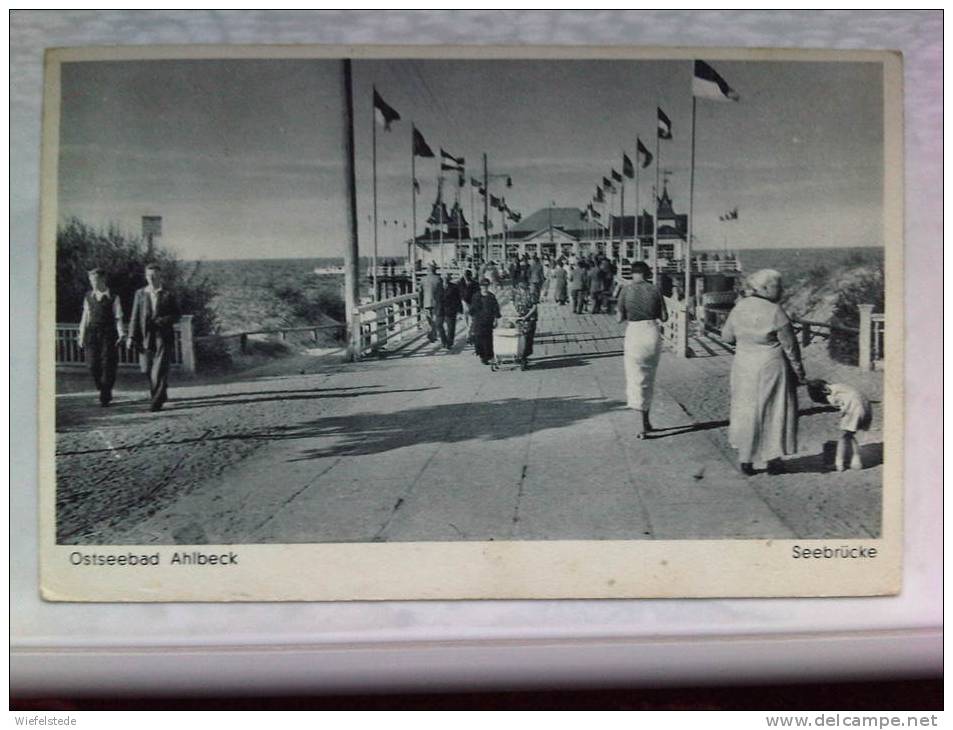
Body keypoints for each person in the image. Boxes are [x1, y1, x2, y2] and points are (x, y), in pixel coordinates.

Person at [720, 269, 806, 475]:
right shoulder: (775, 311)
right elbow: (790, 347)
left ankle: (746, 459)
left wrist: (747, 339)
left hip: (744, 364)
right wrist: (800, 372)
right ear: (765, 288)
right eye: (778, 286)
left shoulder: (739, 308)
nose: (782, 290)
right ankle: (772, 459)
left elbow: (727, 337)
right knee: (773, 410)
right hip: (770, 364)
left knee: (745, 408)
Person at [617, 261, 668, 438]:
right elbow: (665, 317)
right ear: (647, 273)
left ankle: (641, 426)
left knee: (635, 379)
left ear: (632, 273)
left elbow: (619, 318)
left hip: (634, 333)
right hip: (651, 333)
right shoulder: (655, 289)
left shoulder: (626, 290)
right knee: (649, 379)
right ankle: (646, 421)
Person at [128, 263, 180, 412]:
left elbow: (177, 314)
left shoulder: (168, 294)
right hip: (145, 337)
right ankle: (160, 393)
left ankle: (156, 402)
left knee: (159, 369)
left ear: (160, 276)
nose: (151, 279)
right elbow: (134, 316)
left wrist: (163, 321)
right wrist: (131, 336)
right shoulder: (140, 294)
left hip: (162, 336)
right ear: (145, 277)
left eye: (154, 276)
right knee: (147, 369)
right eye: (149, 276)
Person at [77, 267, 125, 406]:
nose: (93, 283)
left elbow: (118, 317)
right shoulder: (88, 297)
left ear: (103, 279)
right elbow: (85, 317)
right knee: (92, 364)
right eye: (91, 280)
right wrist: (81, 336)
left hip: (109, 334)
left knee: (108, 364)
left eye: (96, 280)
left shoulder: (114, 297)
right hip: (92, 333)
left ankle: (105, 394)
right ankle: (103, 386)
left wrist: (121, 334)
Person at [807, 379, 872, 471]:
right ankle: (856, 461)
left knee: (843, 437)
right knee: (849, 435)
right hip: (865, 404)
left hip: (854, 408)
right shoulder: (838, 385)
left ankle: (839, 464)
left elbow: (840, 405)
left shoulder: (831, 397)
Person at [469, 278, 500, 365]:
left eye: (486, 286)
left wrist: (496, 319)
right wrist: (471, 316)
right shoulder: (476, 296)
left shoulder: (491, 296)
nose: (484, 288)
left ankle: (488, 356)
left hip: (488, 321)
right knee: (478, 338)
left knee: (488, 339)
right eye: (483, 286)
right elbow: (472, 309)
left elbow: (496, 309)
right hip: (478, 321)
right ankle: (481, 355)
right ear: (480, 286)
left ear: (488, 286)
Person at [511, 278, 539, 367]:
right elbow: (511, 303)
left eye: (524, 284)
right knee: (518, 338)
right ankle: (519, 355)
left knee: (528, 338)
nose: (522, 286)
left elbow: (535, 306)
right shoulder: (515, 293)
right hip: (519, 319)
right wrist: (516, 314)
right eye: (520, 284)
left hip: (530, 319)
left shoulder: (531, 293)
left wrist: (526, 316)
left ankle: (524, 356)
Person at [421, 262, 444, 344]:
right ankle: (433, 335)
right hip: (436, 303)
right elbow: (442, 292)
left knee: (428, 320)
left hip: (426, 303)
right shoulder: (439, 279)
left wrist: (420, 304)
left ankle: (431, 334)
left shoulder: (423, 279)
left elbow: (420, 293)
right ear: (435, 270)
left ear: (428, 270)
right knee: (435, 319)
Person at [438, 272, 462, 350]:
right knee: (438, 325)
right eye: (444, 277)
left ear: (449, 279)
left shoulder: (454, 287)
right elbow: (435, 297)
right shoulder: (438, 286)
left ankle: (449, 343)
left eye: (447, 277)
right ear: (442, 278)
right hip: (440, 309)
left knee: (451, 328)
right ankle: (443, 341)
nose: (445, 279)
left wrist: (459, 310)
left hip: (451, 310)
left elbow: (458, 299)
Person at [458, 269, 479, 345]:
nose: (466, 277)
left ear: (470, 276)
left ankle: (468, 336)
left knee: (472, 321)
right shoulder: (460, 283)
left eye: (467, 275)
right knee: (466, 321)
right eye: (465, 275)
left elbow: (478, 294)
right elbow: (458, 295)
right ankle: (470, 334)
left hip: (472, 304)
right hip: (463, 304)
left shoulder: (475, 284)